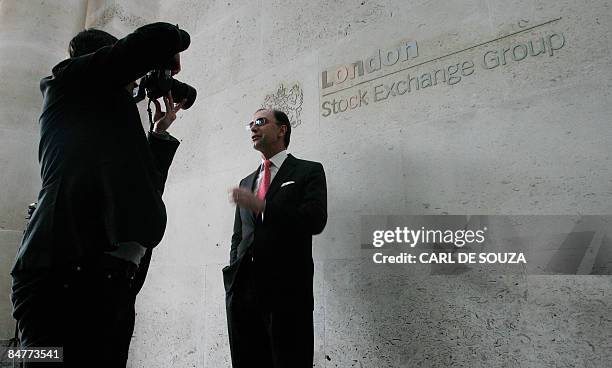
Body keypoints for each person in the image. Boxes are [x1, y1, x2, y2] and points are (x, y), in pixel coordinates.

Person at [10, 23, 191, 367]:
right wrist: (171, 49)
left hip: (108, 280)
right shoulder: (67, 81)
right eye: (131, 79)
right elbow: (161, 36)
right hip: (61, 276)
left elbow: (141, 194)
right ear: (100, 60)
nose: (133, 87)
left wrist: (158, 135)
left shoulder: (100, 117)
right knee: (42, 359)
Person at [224, 108, 328, 367]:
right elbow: (239, 235)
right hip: (244, 295)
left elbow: (315, 220)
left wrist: (265, 207)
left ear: (282, 129)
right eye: (250, 124)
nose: (253, 128)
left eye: (260, 122)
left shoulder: (308, 171)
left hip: (288, 294)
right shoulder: (247, 181)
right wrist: (233, 275)